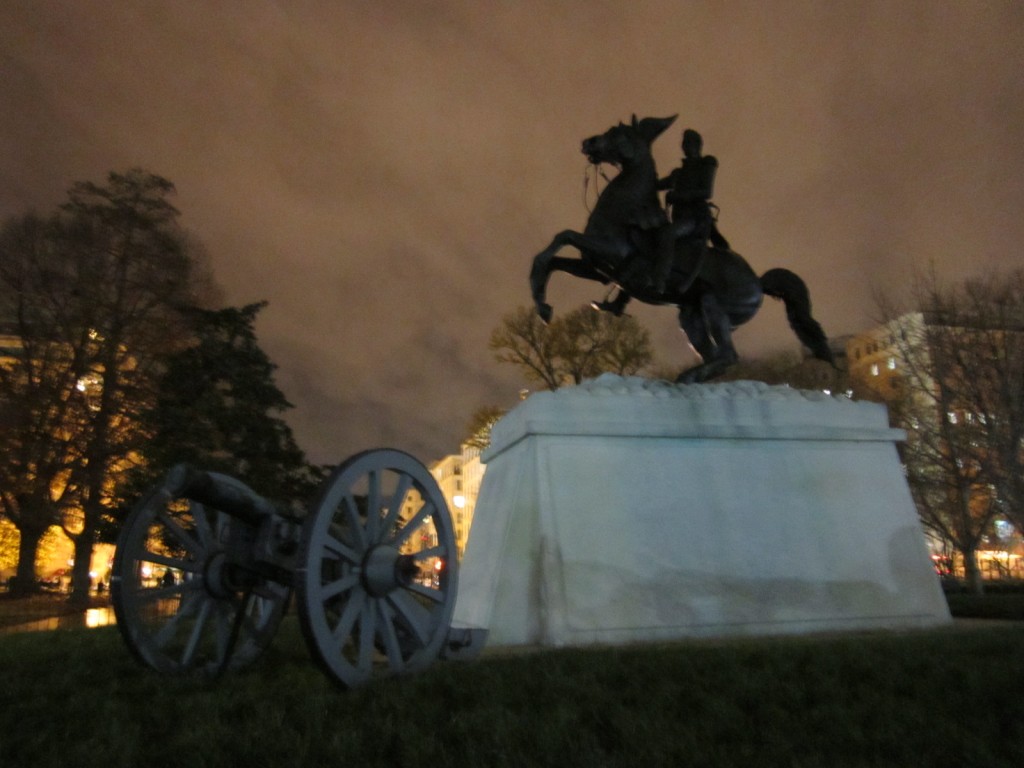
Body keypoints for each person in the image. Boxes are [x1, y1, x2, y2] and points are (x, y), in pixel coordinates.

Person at [653, 128, 727, 293]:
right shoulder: (678, 173)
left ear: (697, 145)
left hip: (695, 219)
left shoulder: (706, 163)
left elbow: (706, 192)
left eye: (689, 143)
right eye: (684, 143)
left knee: (668, 233)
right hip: (680, 217)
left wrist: (678, 196)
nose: (685, 146)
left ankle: (660, 281)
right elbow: (657, 185)